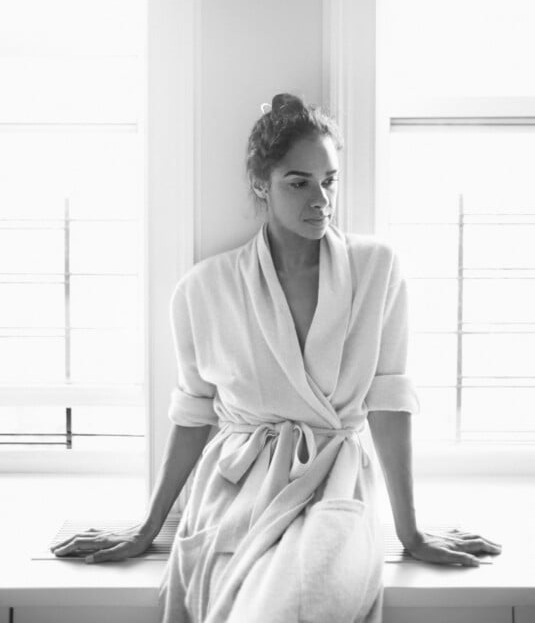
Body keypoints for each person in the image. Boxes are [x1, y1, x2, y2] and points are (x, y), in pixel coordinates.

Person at [51, 93, 502, 622]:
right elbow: (194, 416)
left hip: (336, 478)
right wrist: (148, 528)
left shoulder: (378, 270)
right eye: (299, 181)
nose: (321, 199)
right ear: (261, 184)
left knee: (303, 602)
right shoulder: (204, 289)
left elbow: (388, 402)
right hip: (237, 488)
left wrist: (409, 531)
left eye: (329, 180)